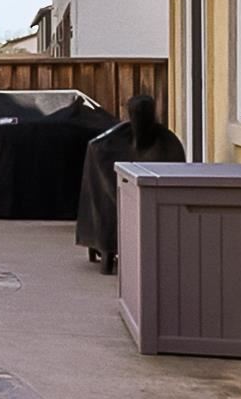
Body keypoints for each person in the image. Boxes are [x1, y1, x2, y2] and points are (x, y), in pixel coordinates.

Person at [76, 94, 185, 271]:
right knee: (108, 202)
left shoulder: (167, 143)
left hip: (154, 203)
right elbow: (97, 150)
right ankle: (108, 248)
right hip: (118, 199)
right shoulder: (109, 143)